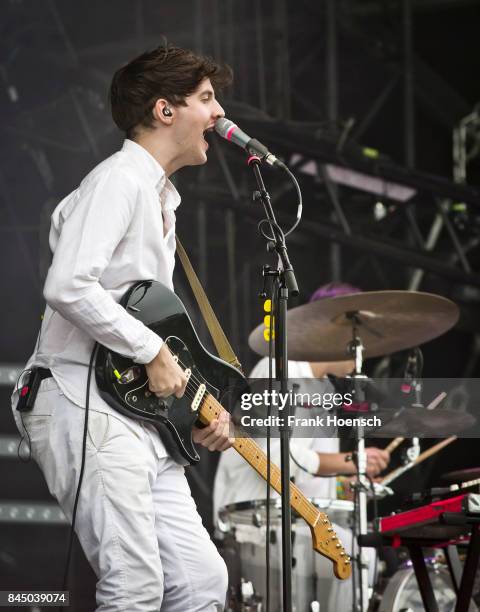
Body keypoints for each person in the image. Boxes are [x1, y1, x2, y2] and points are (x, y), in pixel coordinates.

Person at [12, 45, 235, 612]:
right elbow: (68, 286)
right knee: (133, 587)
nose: (219, 115)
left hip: (132, 414)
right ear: (165, 110)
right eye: (207, 99)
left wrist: (200, 405)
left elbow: (144, 322)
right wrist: (150, 348)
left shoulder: (159, 197)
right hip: (81, 398)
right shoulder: (119, 181)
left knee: (202, 581)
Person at [213, 283, 390, 609]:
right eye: (357, 336)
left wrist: (347, 481)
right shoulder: (276, 369)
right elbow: (275, 461)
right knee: (351, 548)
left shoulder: (325, 392)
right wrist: (353, 461)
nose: (362, 349)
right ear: (332, 332)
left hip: (297, 518)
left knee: (360, 548)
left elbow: (314, 479)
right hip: (251, 515)